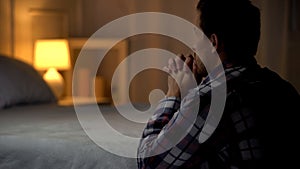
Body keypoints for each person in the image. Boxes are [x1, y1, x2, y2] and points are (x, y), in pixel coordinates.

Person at [137, 0, 300, 168]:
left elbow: (149, 163)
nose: (193, 45)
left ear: (213, 42)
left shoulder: (211, 100)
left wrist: (173, 95)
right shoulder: (284, 88)